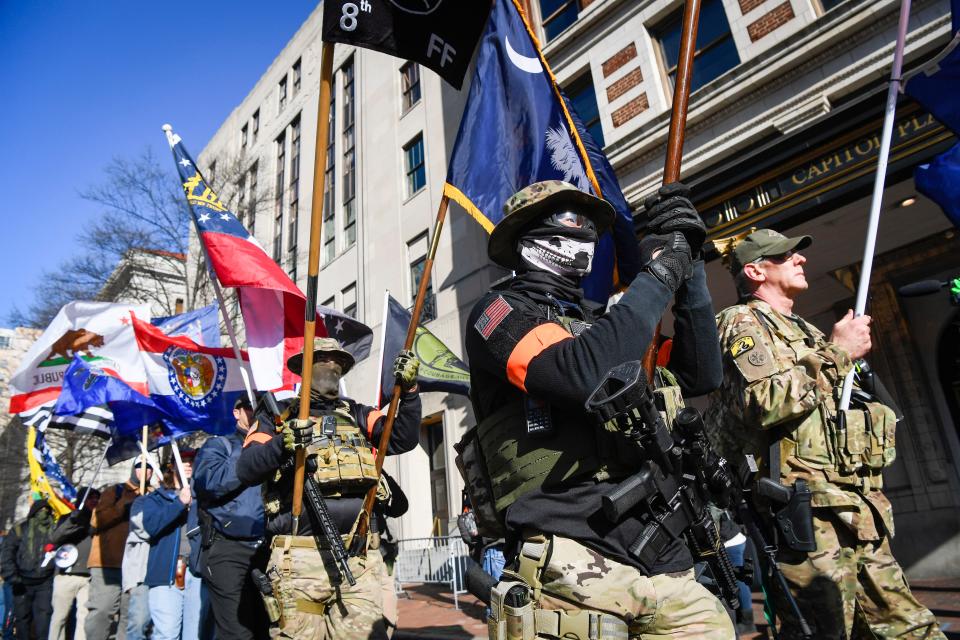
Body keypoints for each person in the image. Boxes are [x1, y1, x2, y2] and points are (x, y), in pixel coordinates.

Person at [462, 180, 733, 638]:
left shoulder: (602, 319)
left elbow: (699, 374)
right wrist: (657, 276)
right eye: (570, 219)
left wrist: (690, 272)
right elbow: (583, 372)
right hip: (572, 561)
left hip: (662, 550)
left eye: (591, 224)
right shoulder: (500, 311)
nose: (585, 231)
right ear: (530, 233)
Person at [705, 228, 944, 639]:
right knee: (824, 629)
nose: (800, 259)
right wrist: (838, 353)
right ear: (755, 271)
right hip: (804, 511)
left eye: (797, 254)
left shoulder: (806, 331)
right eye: (785, 256)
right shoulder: (740, 320)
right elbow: (766, 402)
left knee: (908, 626)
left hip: (854, 502)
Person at [236, 338, 422, 640]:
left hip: (357, 559)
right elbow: (246, 468)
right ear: (304, 369)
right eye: (321, 360)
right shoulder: (277, 416)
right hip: (298, 560)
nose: (329, 368)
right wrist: (281, 448)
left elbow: (401, 436)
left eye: (336, 362)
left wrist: (411, 393)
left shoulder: (357, 414)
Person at [193, 395, 270, 640]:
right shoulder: (219, 445)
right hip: (229, 549)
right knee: (237, 633)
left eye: (261, 407)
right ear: (236, 413)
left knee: (269, 629)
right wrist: (253, 448)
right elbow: (209, 483)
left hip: (268, 549)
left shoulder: (273, 445)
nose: (256, 412)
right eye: (250, 407)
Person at [133, 448, 210, 640]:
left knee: (194, 635)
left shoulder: (206, 496)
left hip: (197, 573)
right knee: (166, 634)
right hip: (165, 573)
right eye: (181, 460)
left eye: (192, 461)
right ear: (172, 467)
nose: (187, 464)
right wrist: (179, 504)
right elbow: (151, 526)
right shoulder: (157, 498)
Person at [85, 457, 152, 640]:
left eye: (149, 468)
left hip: (137, 565)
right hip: (107, 563)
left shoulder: (154, 494)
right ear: (133, 469)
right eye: (140, 467)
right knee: (102, 611)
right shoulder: (115, 491)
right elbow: (96, 521)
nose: (145, 471)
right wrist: (122, 506)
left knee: (130, 616)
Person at [47, 486, 101, 640]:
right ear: (82, 500)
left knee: (84, 617)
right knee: (59, 617)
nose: (94, 501)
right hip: (66, 575)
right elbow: (55, 538)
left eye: (97, 498)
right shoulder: (68, 518)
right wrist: (73, 521)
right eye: (90, 497)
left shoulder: (99, 521)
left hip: (89, 577)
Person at [0, 497, 57, 640]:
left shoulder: (55, 531)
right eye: (40, 510)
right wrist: (11, 575)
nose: (43, 513)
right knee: (21, 620)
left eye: (46, 510)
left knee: (43, 621)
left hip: (45, 583)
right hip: (21, 582)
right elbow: (7, 552)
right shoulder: (20, 529)